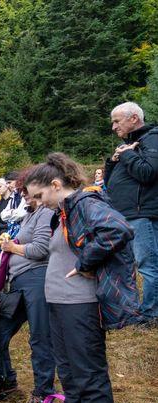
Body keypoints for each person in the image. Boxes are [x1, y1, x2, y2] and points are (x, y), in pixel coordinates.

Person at [25, 152, 140, 403]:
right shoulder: (61, 212)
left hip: (81, 304)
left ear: (56, 185)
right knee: (70, 376)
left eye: (39, 195)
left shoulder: (86, 203)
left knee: (89, 376)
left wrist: (87, 261)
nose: (36, 203)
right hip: (59, 303)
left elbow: (119, 229)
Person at [0, 185, 56, 403]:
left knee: (40, 337)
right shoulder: (29, 215)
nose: (21, 194)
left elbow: (41, 249)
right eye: (20, 191)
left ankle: (43, 393)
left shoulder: (46, 213)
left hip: (37, 279)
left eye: (25, 190)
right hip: (19, 282)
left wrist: (13, 247)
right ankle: (7, 380)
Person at [105, 101, 158, 321]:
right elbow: (109, 183)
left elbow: (148, 173)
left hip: (141, 214)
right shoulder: (131, 145)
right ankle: (136, 309)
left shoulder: (153, 138)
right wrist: (113, 162)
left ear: (133, 118)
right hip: (125, 216)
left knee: (148, 265)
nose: (113, 127)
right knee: (130, 266)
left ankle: (150, 314)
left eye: (117, 121)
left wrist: (126, 155)